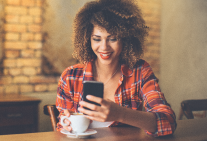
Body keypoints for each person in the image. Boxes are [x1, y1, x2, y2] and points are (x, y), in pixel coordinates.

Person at [56, 0, 176, 137]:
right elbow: (62, 126)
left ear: (126, 39)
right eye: (97, 39)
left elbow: (168, 122)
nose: (104, 47)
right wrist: (66, 123)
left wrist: (120, 113)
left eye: (112, 39)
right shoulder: (70, 76)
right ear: (87, 39)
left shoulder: (139, 72)